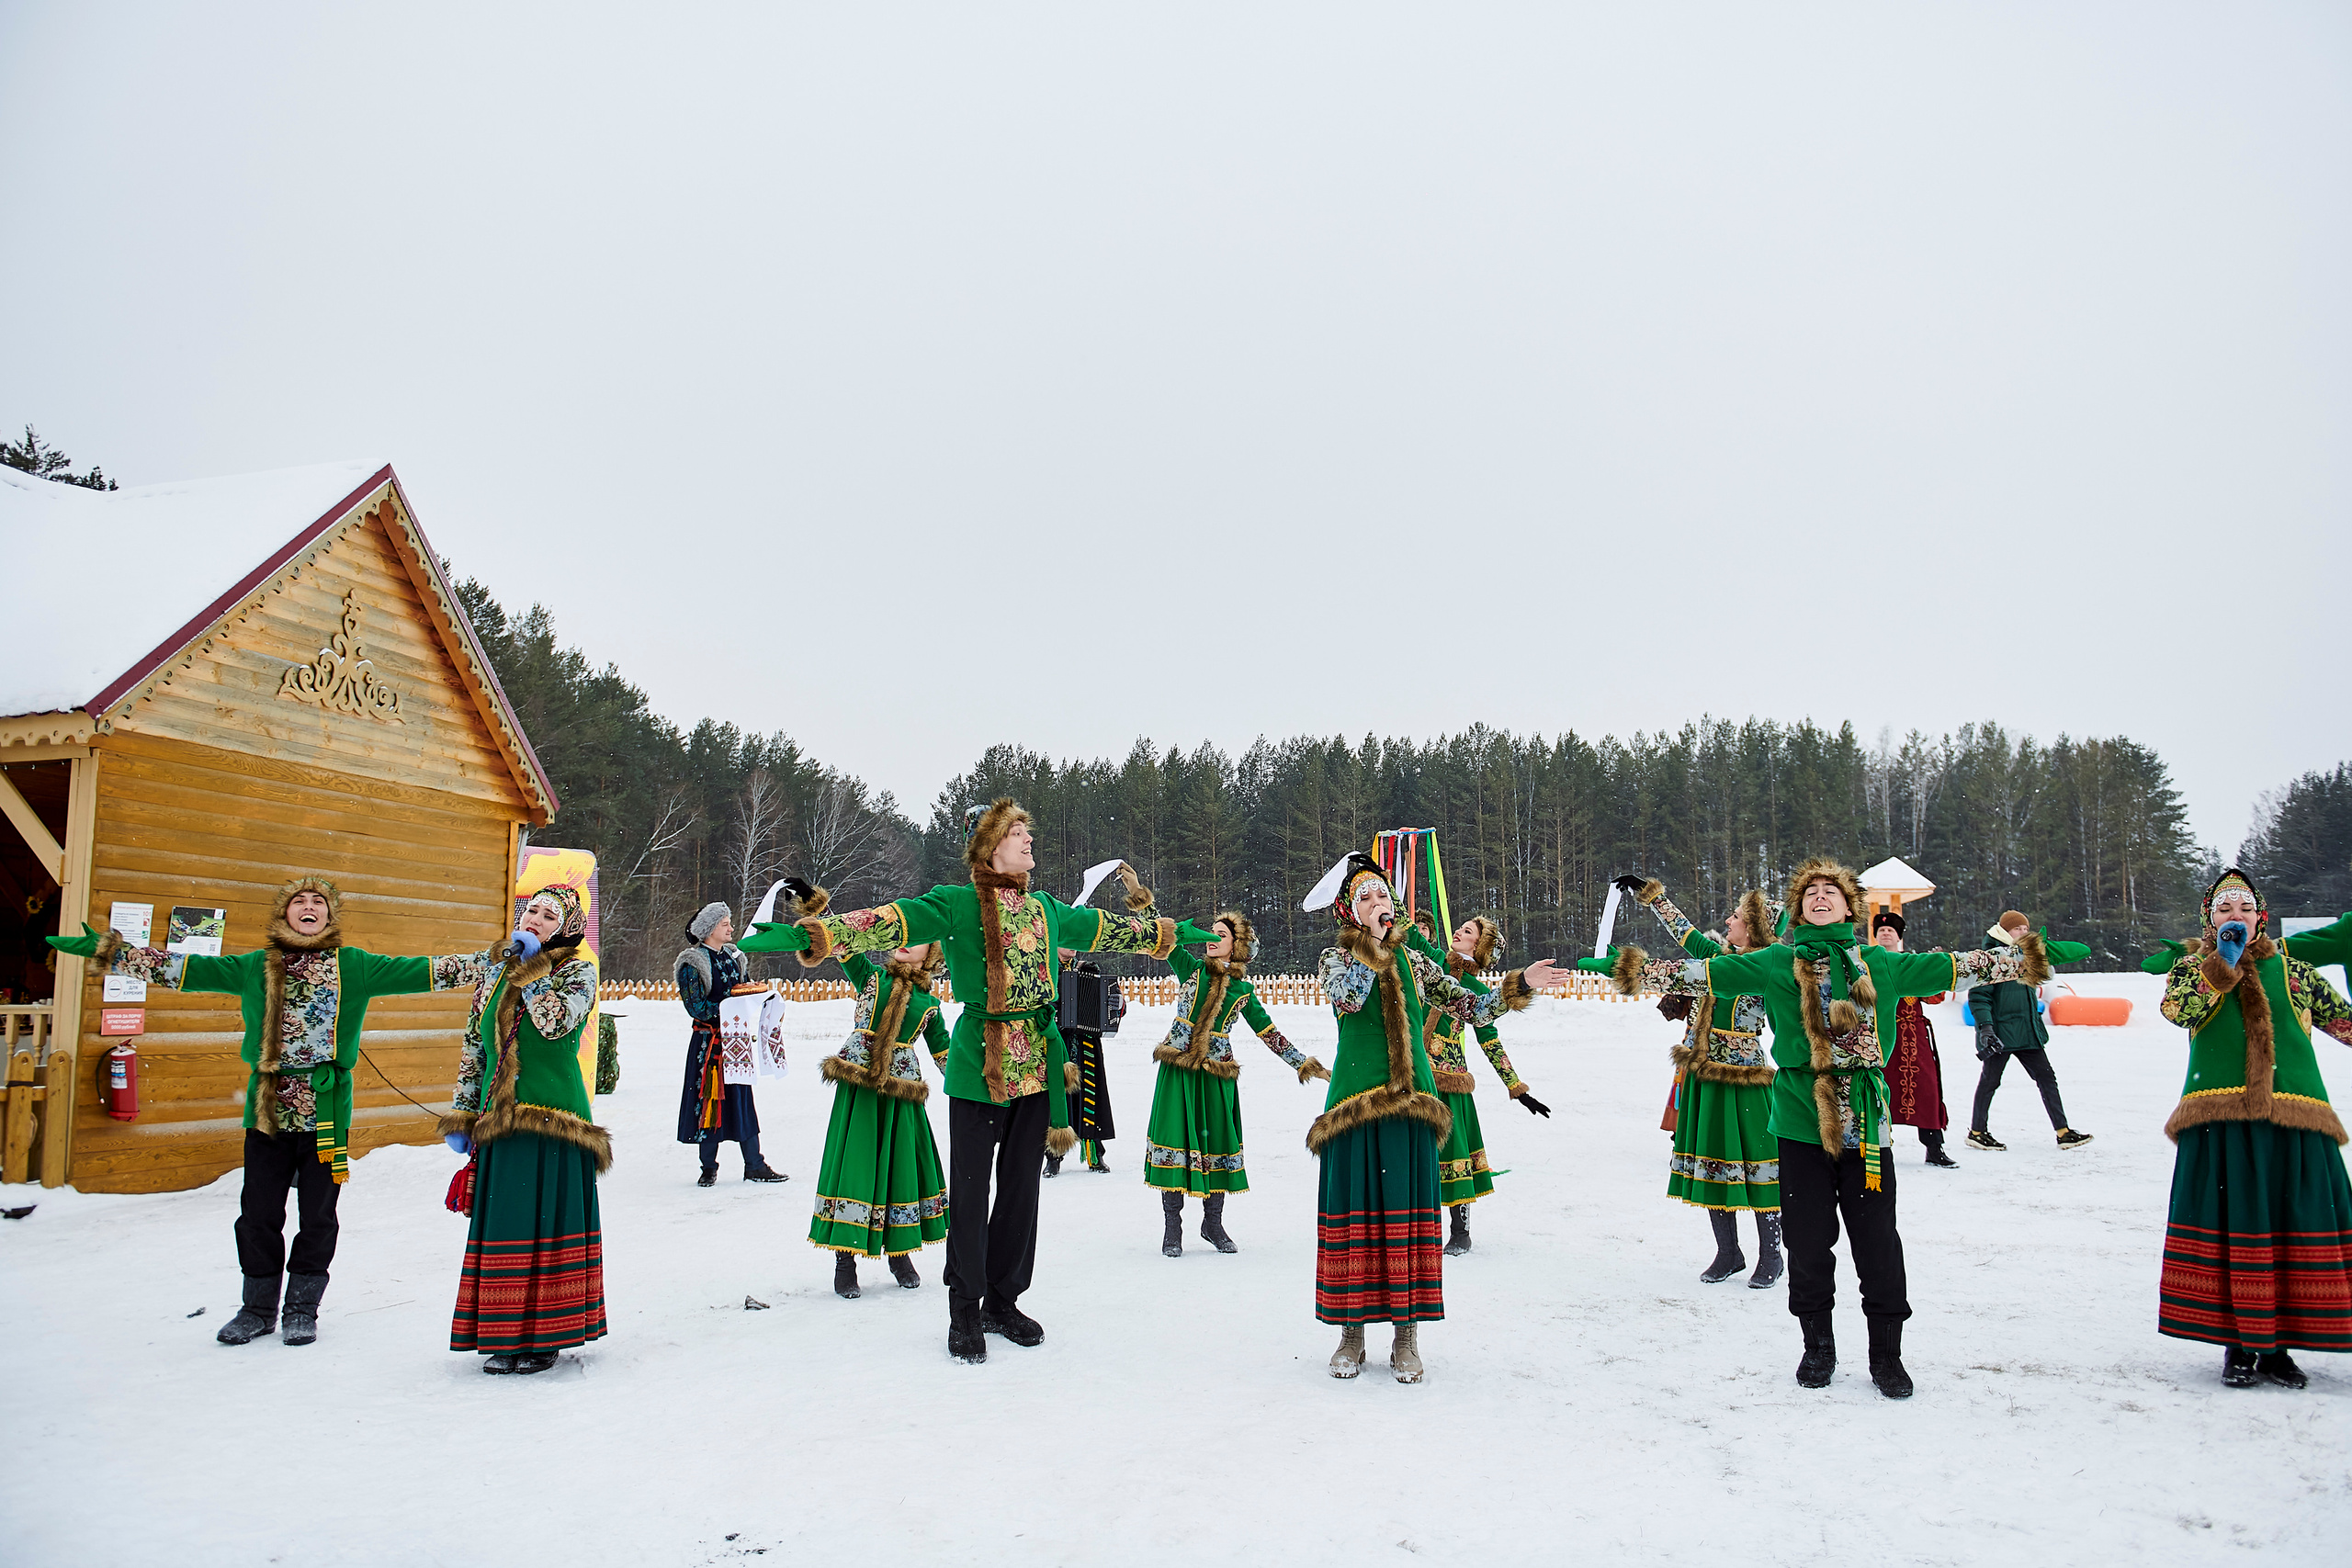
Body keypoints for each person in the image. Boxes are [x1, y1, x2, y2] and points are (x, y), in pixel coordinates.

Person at [739, 799, 1216, 1364]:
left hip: (1034, 1068)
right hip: (977, 1070)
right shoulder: (957, 903)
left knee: (1020, 1192)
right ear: (990, 847)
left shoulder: (1045, 908)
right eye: (1017, 832)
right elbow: (888, 920)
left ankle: (1003, 1302)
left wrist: (1167, 934)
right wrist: (815, 934)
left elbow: (1107, 929)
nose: (1028, 839)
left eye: (1027, 831)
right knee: (970, 1193)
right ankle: (964, 1309)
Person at [1610, 857, 2046, 1398]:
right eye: (1810, 891)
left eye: (1830, 890)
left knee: (1877, 1244)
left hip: (1866, 1127)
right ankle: (1817, 1346)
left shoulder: (1881, 963)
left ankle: (1887, 1355)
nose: (1820, 896)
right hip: (1799, 1122)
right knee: (1807, 1244)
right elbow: (1703, 972)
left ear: (1848, 906)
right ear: (1798, 909)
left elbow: (1957, 966)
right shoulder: (1776, 961)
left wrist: (2027, 957)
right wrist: (1628, 969)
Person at [51, 875, 452, 1348]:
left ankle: (302, 1309)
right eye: (299, 900)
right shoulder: (255, 966)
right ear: (285, 913)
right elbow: (184, 970)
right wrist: (114, 952)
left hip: (325, 1113)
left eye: (318, 901)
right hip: (268, 1112)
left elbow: (429, 970)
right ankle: (257, 1310)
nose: (308, 906)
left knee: (318, 1216)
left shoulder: (356, 966)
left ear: (329, 914)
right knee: (258, 1215)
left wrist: (499, 958)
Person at [1306, 853, 1568, 1383]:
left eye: (1383, 895)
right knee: (1355, 1215)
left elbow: (1472, 1006)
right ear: (1350, 911)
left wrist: (1520, 983)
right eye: (1365, 898)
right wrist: (1373, 945)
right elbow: (1348, 1000)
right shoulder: (1335, 960)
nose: (1378, 904)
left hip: (1414, 1106)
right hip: (1353, 1106)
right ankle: (1351, 1334)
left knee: (1405, 1218)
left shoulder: (1418, 963)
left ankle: (1406, 1336)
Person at [2155, 868, 2352, 1390]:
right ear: (2210, 919)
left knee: (2289, 1230)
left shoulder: (2295, 971)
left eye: (2244, 909)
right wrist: (2222, 964)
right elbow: (2178, 1010)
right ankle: (2239, 1346)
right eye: (2224, 909)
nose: (2235, 916)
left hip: (2295, 1116)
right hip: (2221, 1119)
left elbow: (2345, 1023)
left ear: (2261, 917)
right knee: (2238, 1229)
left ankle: (2279, 1348)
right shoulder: (2192, 969)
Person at [435, 886, 609, 1374]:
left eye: (550, 915)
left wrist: (531, 971)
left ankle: (546, 1336)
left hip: (556, 1119)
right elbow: (475, 1046)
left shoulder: (577, 972)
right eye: (531, 910)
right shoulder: (496, 972)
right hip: (499, 1119)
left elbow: (555, 1024)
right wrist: (463, 1112)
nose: (536, 919)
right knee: (507, 1224)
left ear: (567, 927)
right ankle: (504, 1333)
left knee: (549, 1229)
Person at [1616, 874, 1781, 1286]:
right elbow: (1684, 932)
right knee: (1712, 1160)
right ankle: (1728, 1252)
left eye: (1736, 917)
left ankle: (1772, 1254)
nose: (1728, 921)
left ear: (1754, 927)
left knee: (1759, 1164)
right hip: (1705, 1075)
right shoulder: (1719, 956)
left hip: (1745, 1080)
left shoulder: (1771, 967)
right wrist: (1652, 896)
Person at [1145, 909, 1328, 1257]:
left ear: (1236, 946)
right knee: (1175, 1141)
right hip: (1179, 1070)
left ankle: (1212, 1224)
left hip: (1216, 1075)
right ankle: (1172, 1227)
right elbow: (1165, 935)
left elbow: (1269, 1033)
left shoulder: (1243, 990)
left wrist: (1303, 1064)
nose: (1212, 938)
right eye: (1210, 932)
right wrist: (1145, 902)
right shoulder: (1191, 969)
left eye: (1221, 935)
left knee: (1216, 1144)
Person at [1403, 911, 1551, 1258]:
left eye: (1467, 931)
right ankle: (1414, 1228)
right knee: (1413, 1153)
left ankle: (1460, 1231)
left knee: (1454, 1155)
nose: (1458, 931)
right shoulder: (1435, 961)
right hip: (1415, 1075)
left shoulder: (1479, 991)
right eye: (1461, 927)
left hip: (1450, 1082)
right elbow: (1411, 933)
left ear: (1479, 946)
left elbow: (1490, 1041)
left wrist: (1516, 1087)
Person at [814, 942, 952, 1298]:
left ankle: (899, 1253)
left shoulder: (930, 1005)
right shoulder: (871, 977)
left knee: (899, 1168)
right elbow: (842, 942)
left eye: (918, 938)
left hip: (901, 1095)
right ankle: (845, 1260)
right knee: (855, 1167)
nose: (906, 942)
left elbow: (947, 1055)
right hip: (859, 1088)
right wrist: (818, 917)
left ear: (932, 954)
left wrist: (985, 1085)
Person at [675, 898, 792, 1186]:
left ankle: (754, 1164)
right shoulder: (693, 963)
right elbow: (696, 1007)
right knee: (709, 1100)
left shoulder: (734, 957)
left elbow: (743, 990)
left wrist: (759, 997)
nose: (731, 929)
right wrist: (729, 1009)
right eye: (725, 924)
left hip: (735, 1040)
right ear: (709, 929)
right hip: (708, 1044)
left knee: (742, 1100)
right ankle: (708, 1167)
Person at [1961, 910, 2092, 1153]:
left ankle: (2063, 1132)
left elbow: (2045, 978)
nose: (2022, 932)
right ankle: (1977, 1132)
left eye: (2024, 928)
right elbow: (1979, 998)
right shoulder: (1990, 958)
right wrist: (1986, 1028)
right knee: (1990, 1081)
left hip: (2027, 1032)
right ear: (2004, 931)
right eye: (2016, 929)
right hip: (2000, 1034)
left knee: (2047, 1078)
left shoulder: (2027, 956)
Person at [1871, 912, 1956, 1168]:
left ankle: (1934, 1147)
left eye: (1891, 930)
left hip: (1914, 1037)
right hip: (1880, 1036)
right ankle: (1877, 1147)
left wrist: (1936, 968)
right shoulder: (1866, 963)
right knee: (1879, 1089)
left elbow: (1934, 997)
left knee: (1926, 1088)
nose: (1886, 933)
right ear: (1875, 936)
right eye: (1882, 930)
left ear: (1899, 937)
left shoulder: (1911, 963)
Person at [1045, 950, 1120, 1177]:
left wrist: (1116, 1004)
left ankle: (1095, 1154)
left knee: (1091, 1096)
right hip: (1058, 1042)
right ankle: (1053, 1156)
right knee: (1057, 1098)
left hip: (1088, 1044)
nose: (1072, 948)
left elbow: (1111, 1002)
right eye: (1068, 942)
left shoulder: (1090, 969)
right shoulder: (1046, 970)